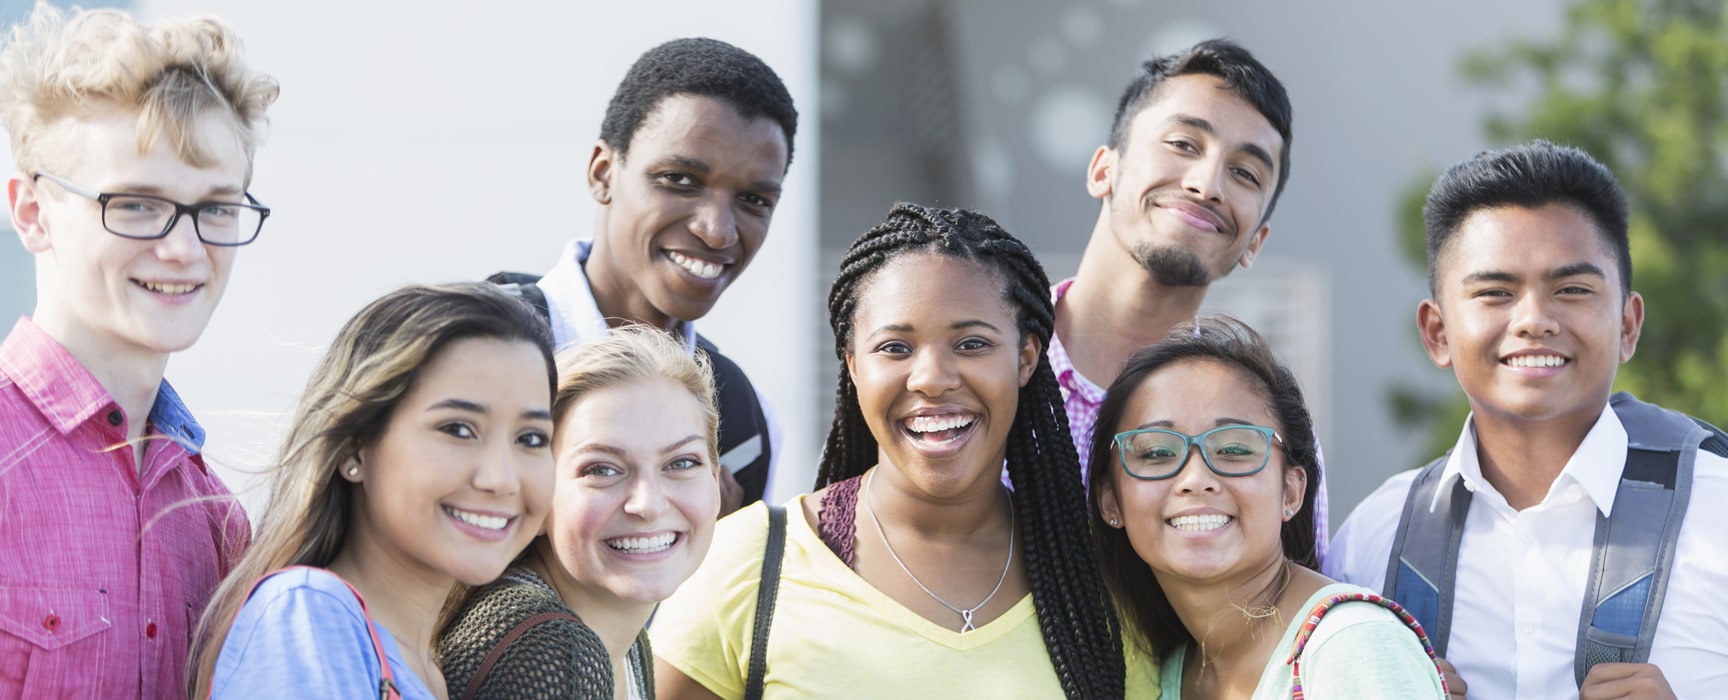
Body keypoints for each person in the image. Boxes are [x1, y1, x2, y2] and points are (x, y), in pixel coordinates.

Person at [652, 202, 1147, 699]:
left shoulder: (1104, 582)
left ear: (1025, 358)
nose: (931, 379)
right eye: (894, 348)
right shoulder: (747, 563)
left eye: (972, 344)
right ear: (852, 365)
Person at [1326, 141, 1728, 698]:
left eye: (1572, 290)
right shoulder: (1372, 542)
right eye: (1495, 292)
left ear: (1629, 325)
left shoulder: (1720, 512)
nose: (1534, 320)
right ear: (1437, 333)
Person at [0, 4, 276, 696]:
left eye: (216, 207)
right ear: (32, 211)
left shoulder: (215, 518)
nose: (184, 249)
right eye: (135, 205)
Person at [189, 283, 556, 698]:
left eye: (530, 438)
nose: (502, 479)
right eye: (457, 429)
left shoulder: (425, 668)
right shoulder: (310, 617)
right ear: (355, 447)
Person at [493, 37, 797, 517]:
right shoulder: (473, 352)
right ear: (603, 173)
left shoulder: (742, 421)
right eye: (679, 179)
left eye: (754, 200)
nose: (717, 232)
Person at [1049, 38, 1330, 554]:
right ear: (1102, 170)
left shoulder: (1268, 429)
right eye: (1182, 144)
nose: (1207, 184)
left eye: (1245, 173)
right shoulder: (984, 364)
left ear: (1255, 243)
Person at [1090, 315, 1446, 698]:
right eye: (1157, 452)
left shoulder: (1352, 647)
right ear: (1111, 500)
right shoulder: (1164, 672)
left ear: (1291, 492)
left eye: (1234, 449)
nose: (1195, 479)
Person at [438, 326, 723, 700]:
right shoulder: (546, 648)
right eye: (601, 470)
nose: (648, 504)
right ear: (533, 497)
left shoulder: (625, 637)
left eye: (682, 462)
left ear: (716, 481)